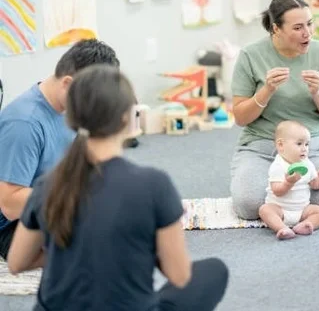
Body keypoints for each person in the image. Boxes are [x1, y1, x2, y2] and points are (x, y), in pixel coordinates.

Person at [7, 65, 229, 311]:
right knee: (213, 271)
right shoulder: (154, 185)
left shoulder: (48, 185)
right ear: (126, 118)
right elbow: (179, 276)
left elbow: (16, 263)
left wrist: (75, 253)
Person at [0, 39, 120, 260]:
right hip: (13, 226)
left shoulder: (66, 106)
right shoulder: (24, 124)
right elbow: (9, 203)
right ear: (67, 83)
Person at [230, 0, 319, 220]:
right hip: (261, 145)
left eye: (310, 24)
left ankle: (287, 197)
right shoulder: (250, 56)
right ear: (276, 29)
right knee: (248, 206)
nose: (308, 33)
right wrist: (267, 90)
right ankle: (268, 185)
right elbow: (240, 118)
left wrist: (317, 93)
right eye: (298, 27)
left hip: (309, 147)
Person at [259, 120, 319, 240]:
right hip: (280, 208)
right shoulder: (278, 165)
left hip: (302, 210)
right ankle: (282, 228)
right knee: (265, 210)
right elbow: (277, 191)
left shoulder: (307, 164)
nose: (304, 149)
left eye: (307, 144)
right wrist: (289, 182)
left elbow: (315, 185)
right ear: (281, 145)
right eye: (299, 144)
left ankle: (305, 225)